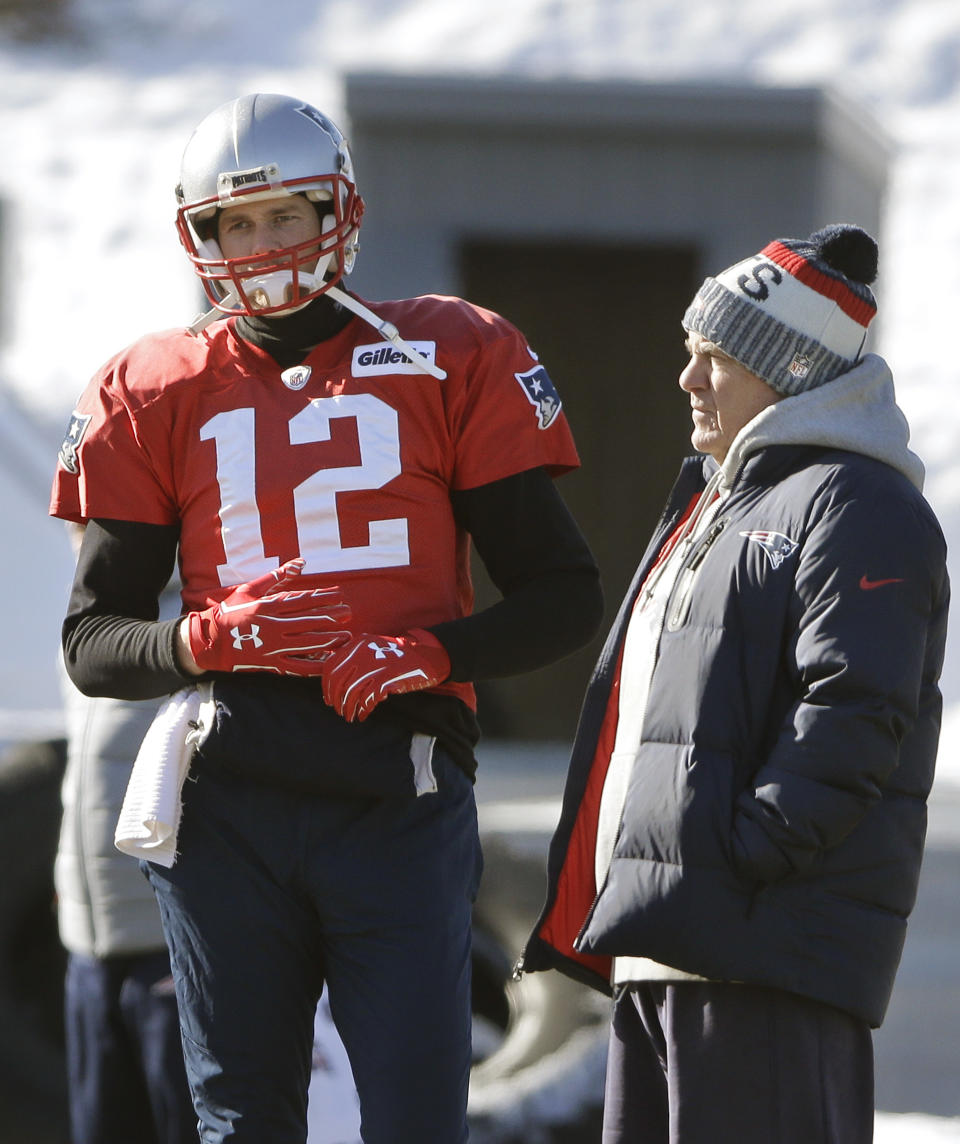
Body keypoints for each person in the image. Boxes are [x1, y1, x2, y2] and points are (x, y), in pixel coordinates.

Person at [49, 92, 602, 1144]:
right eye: (237, 223)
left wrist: (426, 653)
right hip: (230, 802)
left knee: (412, 1121)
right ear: (201, 235)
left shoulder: (452, 351)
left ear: (337, 214)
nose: (263, 243)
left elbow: (564, 592)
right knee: (243, 1124)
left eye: (287, 215)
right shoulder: (151, 385)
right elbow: (93, 641)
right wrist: (199, 640)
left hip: (397, 791)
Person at [519, 224, 949, 1144]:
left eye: (714, 356)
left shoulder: (857, 501)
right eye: (689, 353)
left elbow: (858, 708)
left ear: (787, 365)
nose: (688, 379)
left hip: (761, 956)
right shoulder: (724, 503)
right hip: (673, 949)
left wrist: (740, 851)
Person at [56, 533, 196, 1144]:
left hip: (168, 947)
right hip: (88, 946)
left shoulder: (190, 628)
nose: (81, 531)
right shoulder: (89, 630)